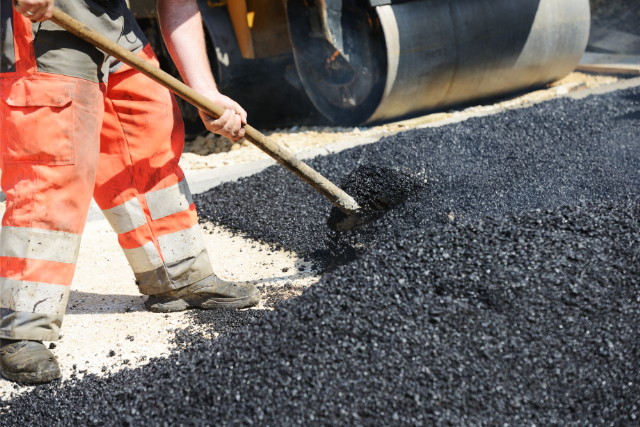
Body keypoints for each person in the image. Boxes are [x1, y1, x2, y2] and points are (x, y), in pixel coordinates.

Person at [0, 0, 259, 384]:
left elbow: (179, 4)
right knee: (53, 166)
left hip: (111, 25)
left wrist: (204, 91)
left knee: (146, 133)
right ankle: (21, 324)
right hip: (41, 26)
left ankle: (178, 276)